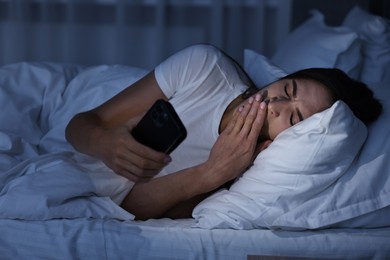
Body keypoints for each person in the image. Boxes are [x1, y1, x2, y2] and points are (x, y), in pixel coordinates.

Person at [65, 44, 382, 220]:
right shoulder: (203, 67)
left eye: (295, 118)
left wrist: (211, 174)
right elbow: (79, 125)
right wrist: (104, 143)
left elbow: (130, 209)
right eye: (288, 88)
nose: (277, 103)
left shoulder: (244, 173)